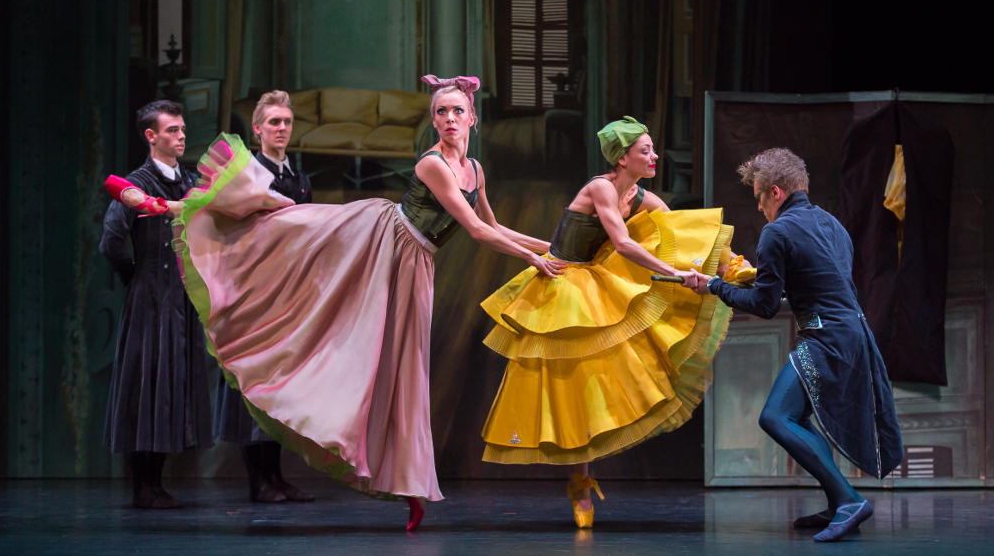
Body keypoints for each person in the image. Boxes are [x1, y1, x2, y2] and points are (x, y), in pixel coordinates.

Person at [103, 75, 565, 531]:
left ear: (473, 120)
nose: (448, 119)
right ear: (433, 120)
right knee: (296, 235)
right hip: (387, 244)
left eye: (456, 112)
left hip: (418, 262)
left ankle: (409, 482)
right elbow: (475, 230)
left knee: (405, 366)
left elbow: (495, 224)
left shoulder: (475, 170)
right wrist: (533, 258)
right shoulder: (434, 165)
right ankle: (178, 210)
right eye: (441, 112)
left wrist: (551, 248)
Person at [480, 116, 746, 529]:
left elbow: (685, 231)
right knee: (575, 385)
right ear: (622, 158)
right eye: (646, 151)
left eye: (652, 149)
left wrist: (725, 264)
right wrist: (677, 277)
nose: (655, 156)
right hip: (562, 284)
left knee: (605, 377)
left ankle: (581, 480)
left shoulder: (640, 196)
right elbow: (621, 243)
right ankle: (580, 483)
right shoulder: (601, 186)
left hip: (591, 277)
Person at [693, 148, 903, 543]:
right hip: (851, 333)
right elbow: (812, 283)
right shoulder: (832, 224)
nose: (758, 207)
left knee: (775, 417)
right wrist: (746, 278)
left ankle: (848, 500)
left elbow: (766, 306)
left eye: (758, 197)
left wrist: (714, 286)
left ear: (775, 192)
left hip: (826, 338)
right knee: (795, 417)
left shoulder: (777, 232)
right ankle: (838, 501)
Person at [99, 100, 213, 509]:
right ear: (152, 136)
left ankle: (156, 483)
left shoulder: (189, 182)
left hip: (181, 298)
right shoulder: (137, 182)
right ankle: (142, 486)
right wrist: (137, 278)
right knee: (145, 385)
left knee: (171, 385)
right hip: (149, 299)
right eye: (172, 131)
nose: (181, 136)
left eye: (183, 130)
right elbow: (111, 241)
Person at [213, 91, 314, 503]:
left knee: (280, 389)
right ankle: (258, 482)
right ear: (257, 129)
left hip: (287, 292)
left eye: (287, 122)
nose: (282, 129)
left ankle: (276, 475)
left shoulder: (300, 178)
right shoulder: (246, 174)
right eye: (274, 122)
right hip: (252, 294)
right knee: (251, 387)